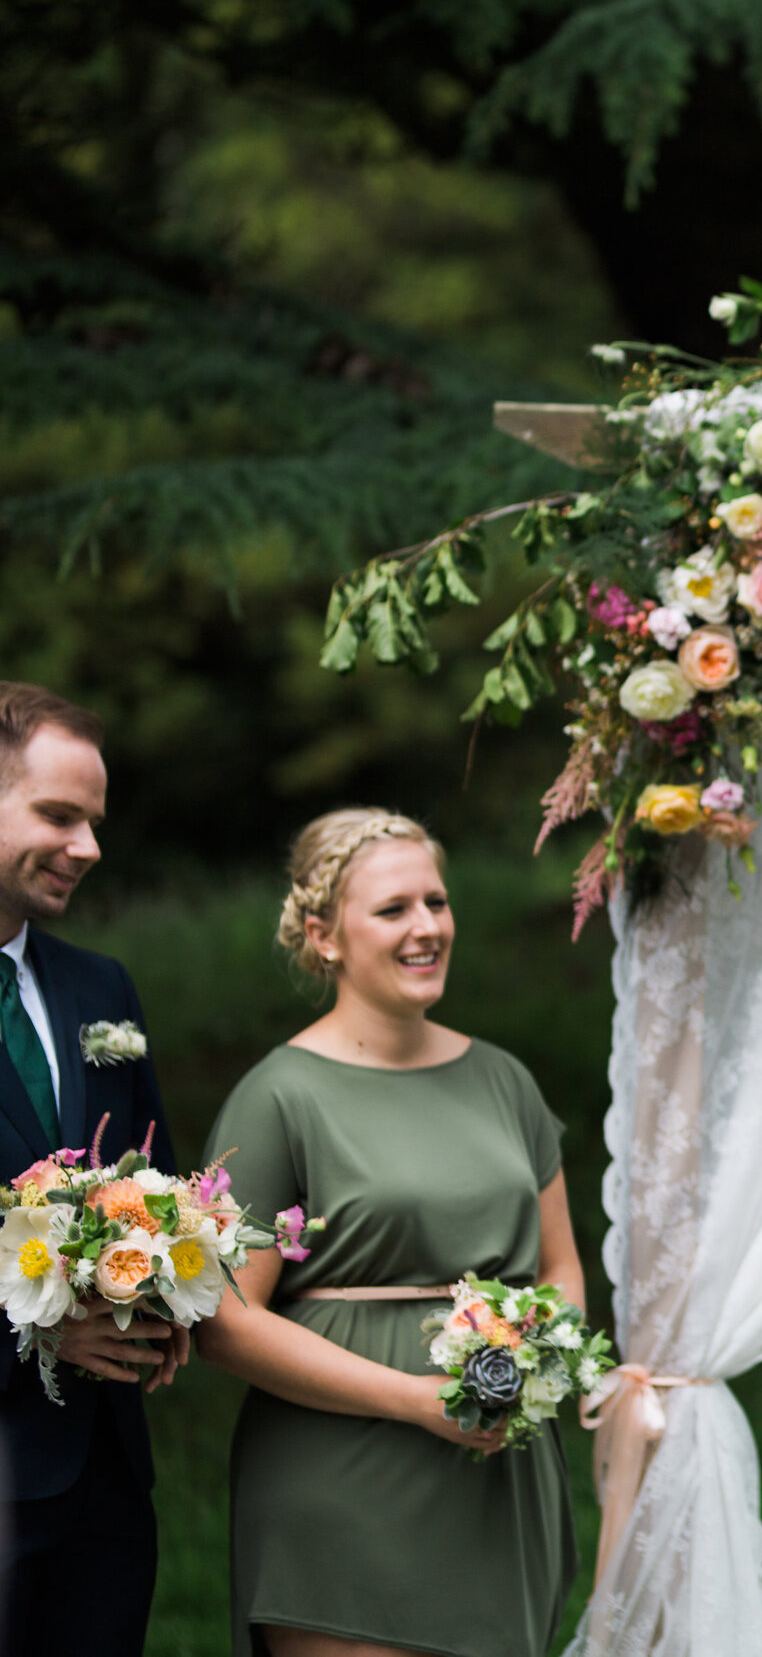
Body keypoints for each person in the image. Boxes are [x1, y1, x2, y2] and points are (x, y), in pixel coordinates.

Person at [196, 808, 584, 1657]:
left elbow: (559, 1265)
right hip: (343, 1484)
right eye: (394, 909)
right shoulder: (276, 1098)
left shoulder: (504, 1080)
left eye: (436, 902)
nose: (426, 927)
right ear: (322, 934)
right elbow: (225, 1319)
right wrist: (419, 1398)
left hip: (498, 1474)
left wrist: (531, 1356)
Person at [0, 681, 187, 1657]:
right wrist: (40, 1329)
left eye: (95, 821)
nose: (88, 846)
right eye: (58, 815)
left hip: (105, 1482)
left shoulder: (99, 986)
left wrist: (168, 1290)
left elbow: (154, 1169)